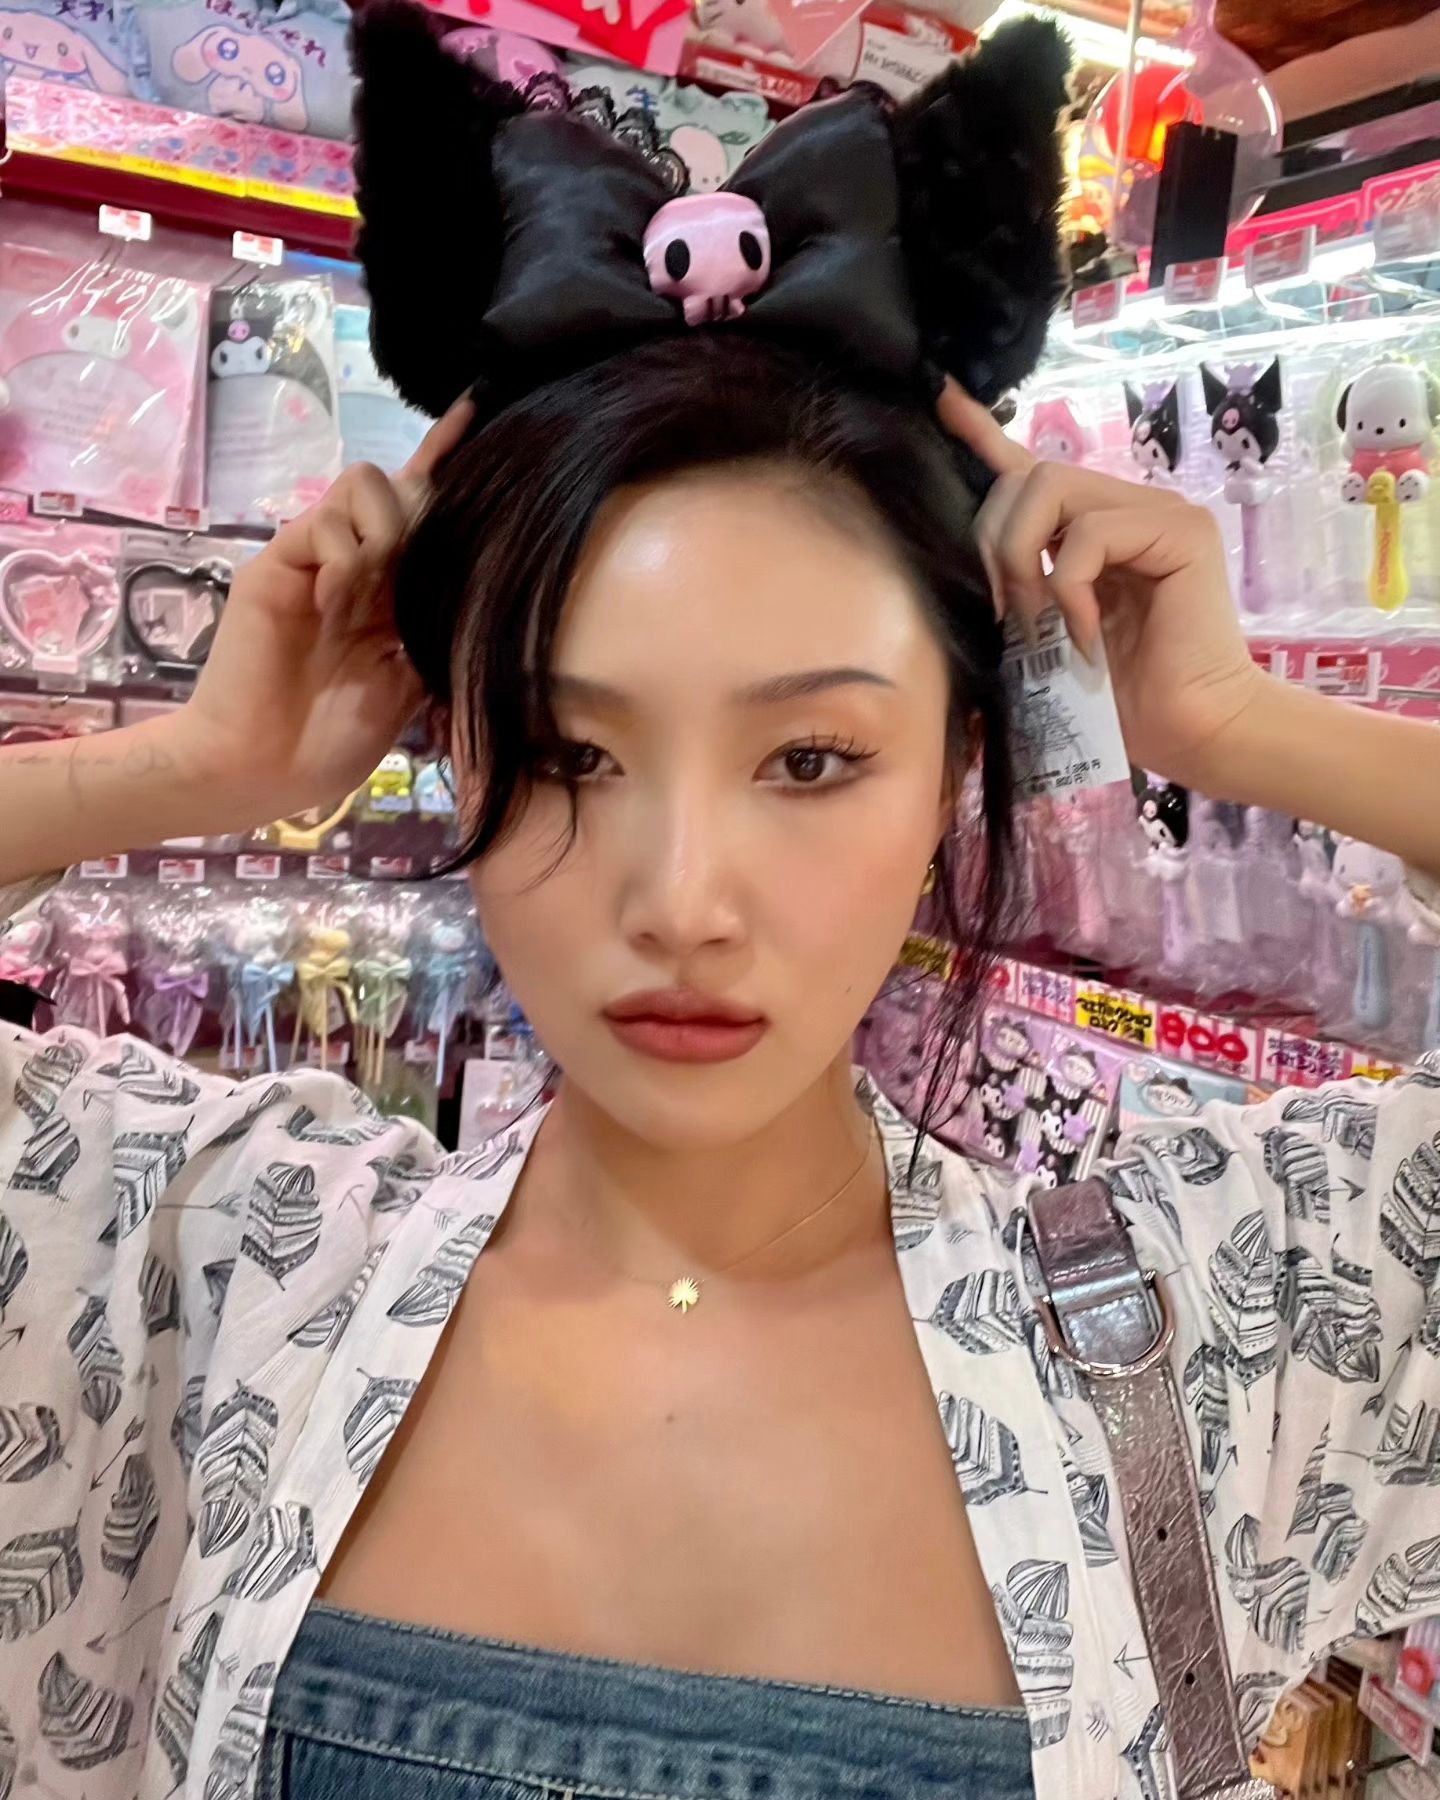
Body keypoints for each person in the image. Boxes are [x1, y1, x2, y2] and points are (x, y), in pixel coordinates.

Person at [2, 9, 1439, 1800]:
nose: (682, 902)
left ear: (961, 763)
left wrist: (1240, 724)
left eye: (811, 759)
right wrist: (186, 768)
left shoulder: (1210, 1327)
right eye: (569, 752)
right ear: (451, 744)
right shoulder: (215, 1264)